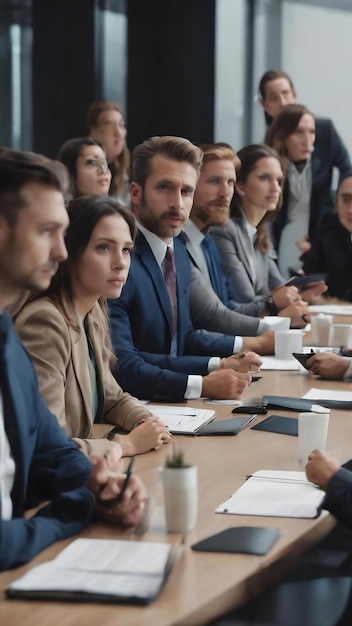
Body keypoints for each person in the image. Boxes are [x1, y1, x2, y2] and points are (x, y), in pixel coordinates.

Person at [0, 147, 146, 571]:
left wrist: (95, 482)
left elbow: (49, 446)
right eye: (46, 231)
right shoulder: (37, 322)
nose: (62, 251)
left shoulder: (5, 334)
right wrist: (74, 509)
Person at [14, 195, 170, 460]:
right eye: (103, 248)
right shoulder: (44, 321)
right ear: (69, 253)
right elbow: (46, 447)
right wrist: (125, 446)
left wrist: (147, 421)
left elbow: (113, 397)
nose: (121, 263)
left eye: (125, 250)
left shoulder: (92, 311)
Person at [108, 135, 260, 402]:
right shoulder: (120, 258)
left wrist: (219, 363)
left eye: (186, 191)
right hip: (128, 410)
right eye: (164, 187)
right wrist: (201, 385)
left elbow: (184, 339)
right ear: (135, 192)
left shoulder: (178, 251)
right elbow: (121, 363)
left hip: (169, 407)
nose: (177, 203)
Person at [184, 142, 313, 328]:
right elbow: (237, 303)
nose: (276, 187)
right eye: (265, 178)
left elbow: (277, 289)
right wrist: (276, 311)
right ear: (242, 187)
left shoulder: (257, 233)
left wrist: (297, 294)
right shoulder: (221, 231)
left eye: (279, 180)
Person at [265, 103, 342, 278]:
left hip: (314, 237)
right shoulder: (271, 167)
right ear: (283, 135)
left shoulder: (318, 165)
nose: (308, 140)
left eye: (312, 132)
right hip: (283, 236)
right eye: (299, 132)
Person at [302, 171, 352, 301]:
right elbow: (307, 283)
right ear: (336, 202)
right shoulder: (324, 238)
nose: (350, 209)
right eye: (346, 200)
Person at [87, 100, 130, 205]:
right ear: (93, 131)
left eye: (121, 125)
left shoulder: (129, 170)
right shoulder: (84, 168)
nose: (118, 133)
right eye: (110, 125)